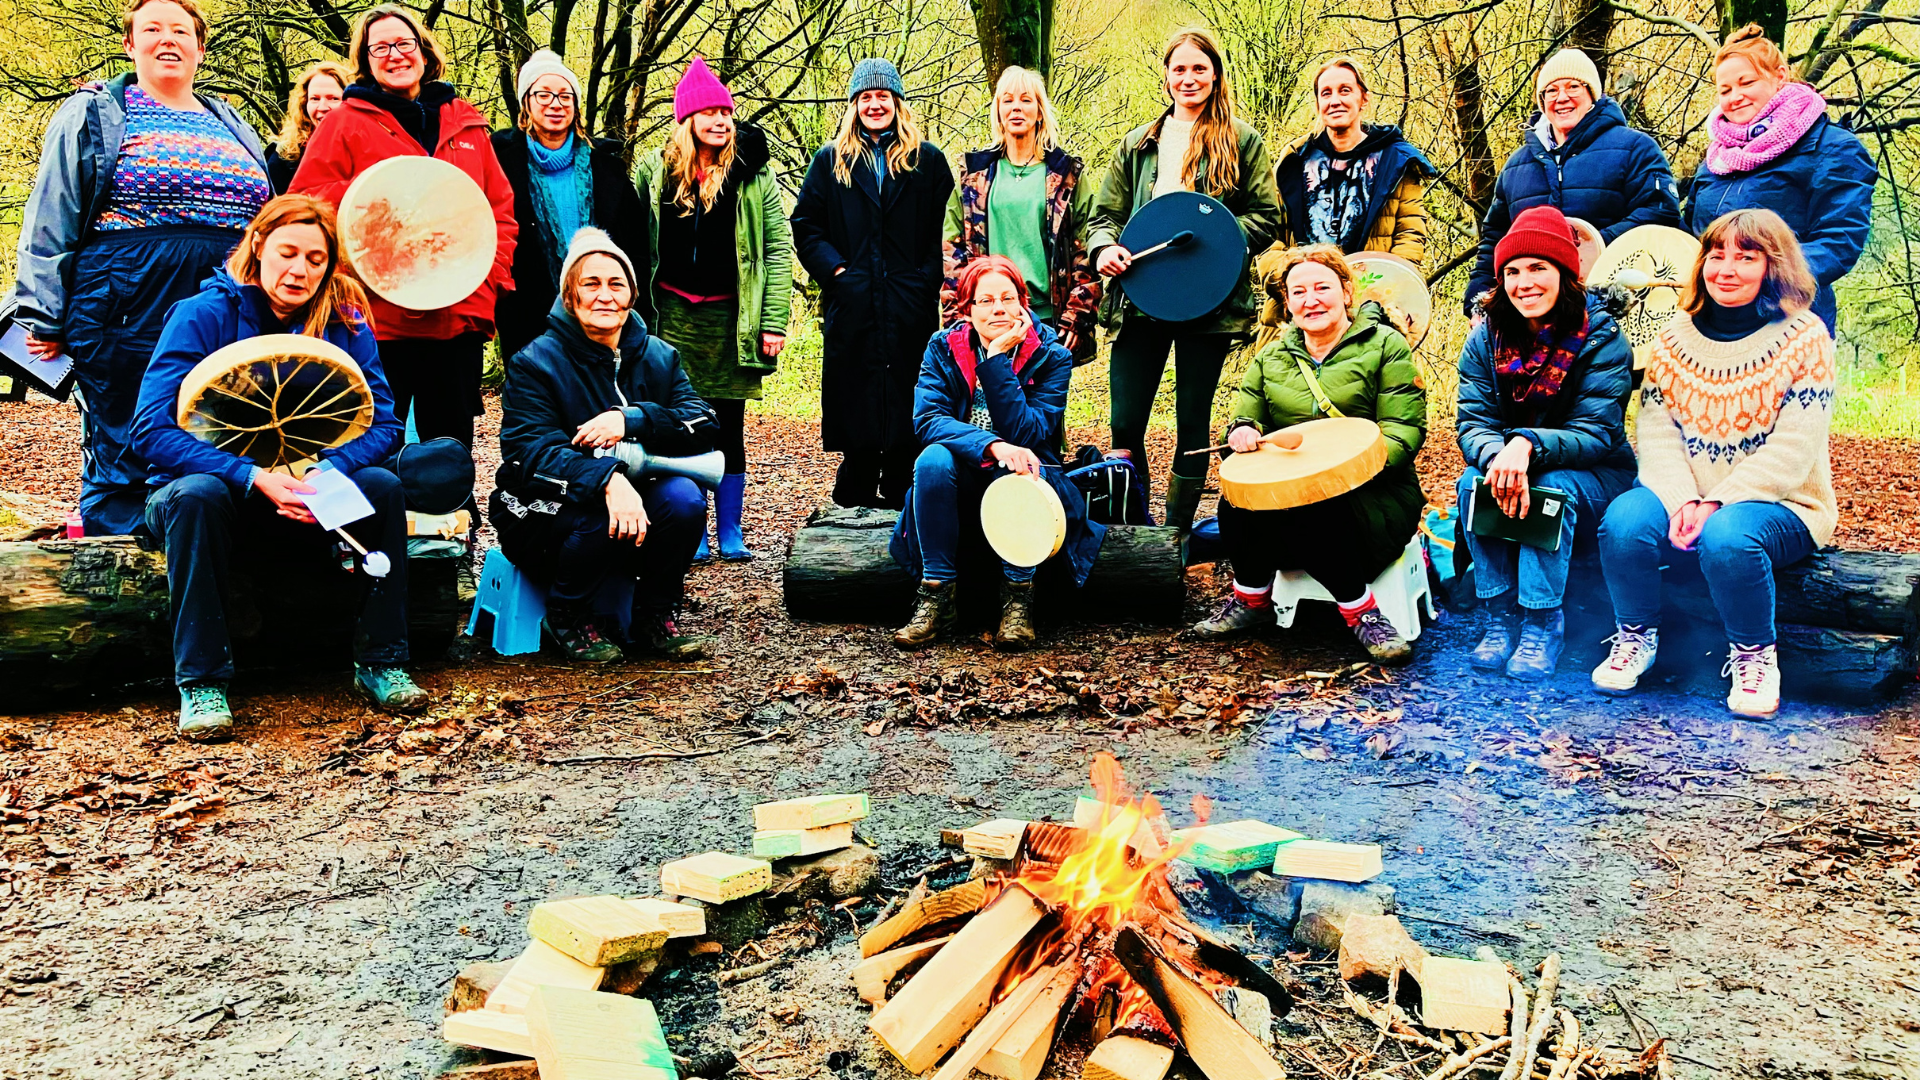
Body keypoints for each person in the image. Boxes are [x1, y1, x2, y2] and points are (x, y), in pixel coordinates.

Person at [130, 194, 423, 741]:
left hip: (311, 493)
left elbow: (383, 426)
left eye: (315, 259)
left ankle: (382, 660)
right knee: (195, 495)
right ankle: (201, 681)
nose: (300, 270)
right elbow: (149, 429)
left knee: (381, 486)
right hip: (212, 497)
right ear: (258, 245)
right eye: (288, 252)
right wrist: (251, 476)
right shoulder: (202, 315)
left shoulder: (346, 321)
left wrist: (330, 471)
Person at [13, 0, 271, 536]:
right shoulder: (96, 112)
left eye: (180, 30)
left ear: (200, 47)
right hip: (125, 296)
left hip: (223, 298)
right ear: (131, 44)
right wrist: (45, 313)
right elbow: (51, 211)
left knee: (219, 426)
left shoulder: (230, 121)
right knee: (130, 438)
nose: (167, 39)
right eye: (151, 29)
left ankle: (214, 552)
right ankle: (121, 579)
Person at [1594, 208, 1834, 717]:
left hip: (1784, 503)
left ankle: (1755, 658)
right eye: (1716, 255)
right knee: (1623, 521)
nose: (1726, 269)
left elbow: (1794, 449)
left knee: (1728, 535)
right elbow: (1657, 433)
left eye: (1746, 257)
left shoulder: (1806, 337)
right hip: (1685, 496)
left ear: (1775, 265)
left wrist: (1716, 501)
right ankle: (1636, 635)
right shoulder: (1673, 337)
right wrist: (1684, 499)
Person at [290, 3, 516, 450]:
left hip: (456, 318)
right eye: (380, 48)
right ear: (366, 61)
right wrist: (376, 197)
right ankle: (378, 520)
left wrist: (487, 278)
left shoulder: (465, 122)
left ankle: (451, 517)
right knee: (371, 443)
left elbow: (499, 211)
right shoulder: (342, 124)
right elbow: (304, 204)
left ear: (424, 51)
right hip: (376, 319)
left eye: (403, 43)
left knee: (449, 448)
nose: (394, 55)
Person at [1190, 246, 1425, 665]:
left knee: (1315, 504)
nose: (1310, 299)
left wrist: (1344, 470)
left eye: (1322, 287)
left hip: (1374, 495)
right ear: (1287, 303)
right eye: (1298, 292)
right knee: (1236, 505)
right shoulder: (1271, 357)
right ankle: (1252, 601)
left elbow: (1403, 431)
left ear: (1347, 292)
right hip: (1290, 496)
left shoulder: (1386, 345)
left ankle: (1362, 611)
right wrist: (1242, 431)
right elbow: (1247, 415)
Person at [1088, 28, 1282, 531]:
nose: (1189, 78)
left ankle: (1174, 535)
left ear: (1215, 74)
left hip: (1209, 303)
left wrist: (1216, 240)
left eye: (1199, 68)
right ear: (1166, 76)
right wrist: (1104, 249)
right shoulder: (1138, 143)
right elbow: (1102, 216)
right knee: (1125, 423)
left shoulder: (1242, 140)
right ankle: (1132, 531)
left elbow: (1266, 216)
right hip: (1140, 296)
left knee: (1192, 423)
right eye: (1179, 68)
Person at [491, 228, 716, 663]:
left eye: (616, 284)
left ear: (632, 294)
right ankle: (566, 616)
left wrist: (631, 419)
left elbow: (704, 421)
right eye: (590, 284)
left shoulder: (659, 357)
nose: (605, 296)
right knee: (595, 515)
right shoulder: (535, 363)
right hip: (539, 512)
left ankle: (655, 614)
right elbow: (528, 453)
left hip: (635, 494)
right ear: (570, 296)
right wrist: (608, 481)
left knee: (685, 500)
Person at [1455, 206, 1635, 680]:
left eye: (1538, 268)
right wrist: (1501, 456)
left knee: (1550, 484)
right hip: (1514, 463)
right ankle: (1498, 616)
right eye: (1512, 272)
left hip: (1596, 474)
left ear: (1565, 273)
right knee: (1473, 481)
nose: (1524, 283)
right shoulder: (1485, 339)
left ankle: (1541, 621)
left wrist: (1526, 446)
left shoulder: (1603, 337)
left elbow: (1598, 432)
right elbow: (1473, 423)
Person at [890, 256, 1103, 651]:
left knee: (1017, 465)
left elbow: (1030, 433)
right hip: (962, 477)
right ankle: (936, 598)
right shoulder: (943, 347)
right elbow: (928, 419)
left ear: (1024, 303)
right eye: (985, 301)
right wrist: (990, 445)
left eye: (1008, 298)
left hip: (1027, 480)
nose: (998, 309)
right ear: (968, 309)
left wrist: (996, 362)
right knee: (932, 460)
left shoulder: (1051, 354)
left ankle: (1018, 597)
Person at [632, 57, 793, 561]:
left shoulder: (753, 175)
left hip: (732, 320)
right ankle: (692, 527)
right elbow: (635, 242)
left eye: (726, 112)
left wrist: (771, 321)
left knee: (727, 422)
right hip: (672, 317)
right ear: (687, 121)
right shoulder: (655, 173)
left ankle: (730, 530)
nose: (721, 121)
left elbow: (776, 247)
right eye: (709, 113)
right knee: (680, 421)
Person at [791, 59, 953, 510]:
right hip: (854, 301)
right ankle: (854, 497)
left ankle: (905, 495)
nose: (875, 104)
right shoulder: (830, 162)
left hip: (909, 302)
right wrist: (838, 273)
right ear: (854, 105)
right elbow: (806, 225)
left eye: (883, 96)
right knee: (856, 399)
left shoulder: (928, 161)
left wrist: (925, 281)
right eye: (866, 97)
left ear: (897, 103)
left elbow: (947, 230)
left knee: (909, 393)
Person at [1683, 25, 1877, 337]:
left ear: (1780, 76)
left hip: (1786, 318)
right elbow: (1691, 231)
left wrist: (1762, 279)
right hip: (1708, 319)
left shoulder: (1833, 148)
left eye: (1747, 82)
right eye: (1725, 89)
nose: (1736, 97)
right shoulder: (1717, 156)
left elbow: (1840, 239)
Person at [1466, 48, 1680, 312]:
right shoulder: (1516, 166)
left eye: (1573, 86)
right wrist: (1478, 300)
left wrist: (1590, 246)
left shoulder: (1635, 147)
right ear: (1542, 100)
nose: (1562, 97)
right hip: (1532, 311)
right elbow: (1495, 238)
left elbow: (1661, 214)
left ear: (1592, 94)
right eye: (1551, 91)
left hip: (1616, 304)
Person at [493, 48, 652, 363]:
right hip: (526, 313)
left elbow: (636, 245)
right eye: (544, 95)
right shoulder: (500, 162)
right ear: (527, 102)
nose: (556, 103)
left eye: (565, 96)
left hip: (602, 310)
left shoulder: (607, 166)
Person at [941, 65, 1100, 364]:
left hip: (1047, 320)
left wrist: (1077, 315)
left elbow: (1086, 250)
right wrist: (957, 320)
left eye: (1026, 100)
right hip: (988, 318)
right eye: (1007, 100)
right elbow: (953, 254)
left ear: (1039, 111)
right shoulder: (973, 177)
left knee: (1043, 410)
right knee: (989, 407)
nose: (1016, 107)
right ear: (998, 110)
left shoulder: (1066, 176)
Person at [1273, 56, 1435, 261]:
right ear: (1318, 104)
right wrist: (1288, 279)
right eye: (1326, 93)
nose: (1335, 101)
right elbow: (1270, 233)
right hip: (1305, 289)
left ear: (1363, 98)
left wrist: (1387, 286)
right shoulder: (1294, 158)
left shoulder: (1394, 160)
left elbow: (1409, 234)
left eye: (1345, 90)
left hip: (1373, 287)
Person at [265, 61, 351, 193]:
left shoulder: (367, 149)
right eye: (315, 99)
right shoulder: (285, 157)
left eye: (333, 98)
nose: (322, 107)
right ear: (304, 103)